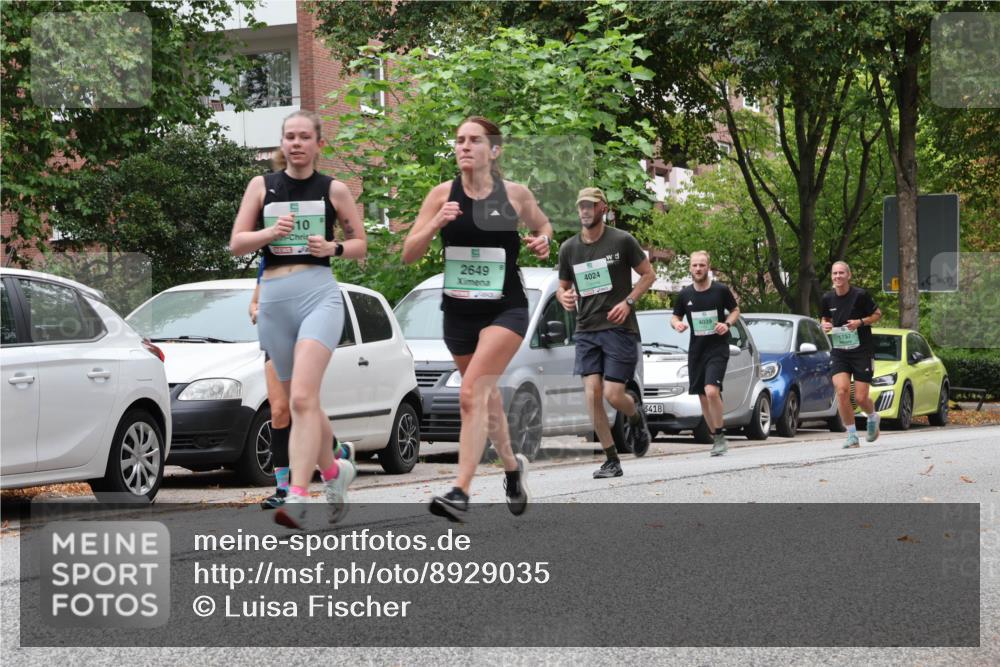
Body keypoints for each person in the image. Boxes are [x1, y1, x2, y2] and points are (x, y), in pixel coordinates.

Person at [402, 116, 553, 522]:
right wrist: (435, 223)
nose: (464, 146)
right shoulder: (441, 195)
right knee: (485, 400)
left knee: (471, 393)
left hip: (506, 308)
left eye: (474, 140)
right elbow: (408, 253)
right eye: (459, 140)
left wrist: (543, 240)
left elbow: (542, 225)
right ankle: (511, 468)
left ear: (494, 150)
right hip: (459, 312)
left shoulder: (515, 194)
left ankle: (460, 489)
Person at [230, 110, 366, 529]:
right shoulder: (262, 186)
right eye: (290, 136)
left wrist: (334, 249)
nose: (296, 143)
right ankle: (333, 472)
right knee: (295, 402)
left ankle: (299, 494)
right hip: (273, 299)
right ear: (282, 143)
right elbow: (237, 243)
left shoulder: (334, 189)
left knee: (304, 399)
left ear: (318, 144)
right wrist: (269, 235)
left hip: (318, 296)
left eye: (305, 136)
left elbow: (360, 243)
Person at [556, 187, 656, 479]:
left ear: (603, 208)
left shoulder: (622, 241)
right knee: (592, 394)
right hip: (586, 329)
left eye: (590, 205)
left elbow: (648, 274)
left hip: (618, 329)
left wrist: (629, 302)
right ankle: (612, 459)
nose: (585, 210)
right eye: (581, 206)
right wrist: (563, 297)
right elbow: (563, 288)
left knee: (613, 394)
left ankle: (635, 417)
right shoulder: (569, 249)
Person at [671, 251, 740, 456]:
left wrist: (726, 324)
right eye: (695, 265)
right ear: (690, 268)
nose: (698, 269)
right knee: (702, 396)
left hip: (717, 348)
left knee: (711, 391)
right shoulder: (685, 294)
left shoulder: (720, 290)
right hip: (696, 350)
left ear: (708, 267)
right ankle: (716, 436)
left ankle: (719, 435)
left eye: (702, 265)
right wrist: (678, 325)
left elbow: (735, 310)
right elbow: (674, 317)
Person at [820, 261, 882, 448]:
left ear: (849, 275)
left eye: (841, 273)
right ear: (832, 276)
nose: (837, 276)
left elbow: (877, 314)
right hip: (840, 352)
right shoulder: (827, 298)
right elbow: (825, 318)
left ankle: (872, 417)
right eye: (834, 273)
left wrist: (860, 322)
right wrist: (824, 324)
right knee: (842, 391)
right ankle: (852, 435)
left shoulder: (860, 295)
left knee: (861, 398)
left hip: (862, 351)